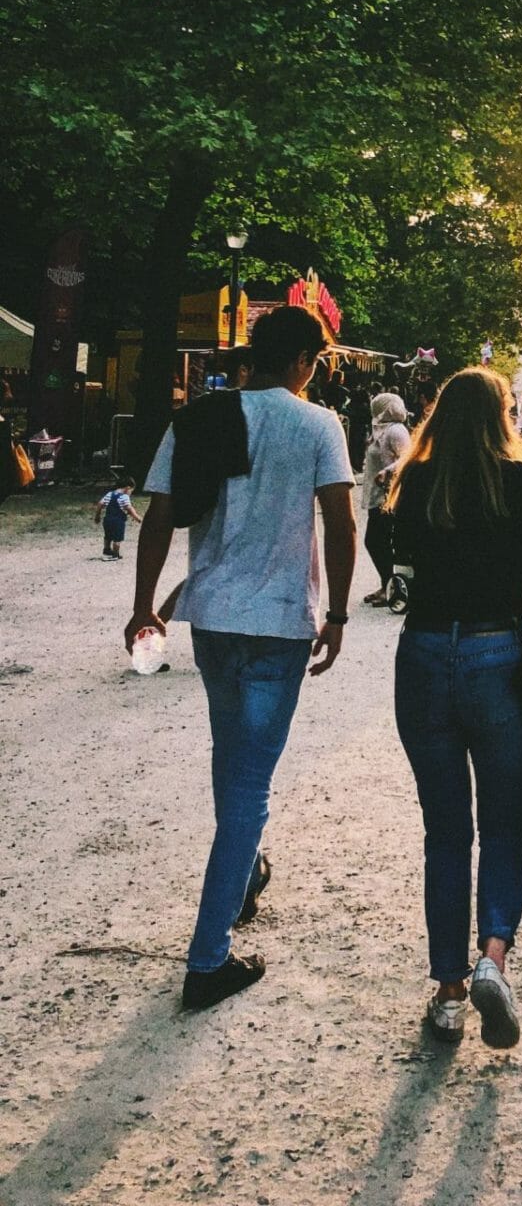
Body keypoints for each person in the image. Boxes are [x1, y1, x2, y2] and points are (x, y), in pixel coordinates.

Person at [127, 304, 357, 1011]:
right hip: (280, 623)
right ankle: (207, 958)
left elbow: (160, 512)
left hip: (215, 620)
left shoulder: (199, 417)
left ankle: (243, 873)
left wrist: (144, 606)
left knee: (234, 767)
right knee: (249, 786)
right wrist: (339, 611)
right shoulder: (318, 425)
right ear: (300, 362)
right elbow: (342, 520)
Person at [385, 368, 522, 1047]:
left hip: (422, 655)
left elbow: (392, 558)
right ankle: (491, 960)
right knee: (503, 824)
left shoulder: (415, 480)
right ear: (503, 416)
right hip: (496, 655)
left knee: (445, 830)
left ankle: (447, 995)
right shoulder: (515, 480)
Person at [360, 392, 411, 606]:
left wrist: (388, 471)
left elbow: (409, 457)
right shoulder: (379, 431)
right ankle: (388, 585)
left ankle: (392, 587)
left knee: (375, 541)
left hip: (390, 496)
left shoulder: (396, 431)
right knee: (378, 542)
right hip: (377, 494)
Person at [95, 476, 140, 557]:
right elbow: (129, 508)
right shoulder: (124, 496)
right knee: (117, 538)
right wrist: (137, 517)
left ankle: (107, 549)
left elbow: (100, 504)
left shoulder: (109, 494)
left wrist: (97, 516)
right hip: (118, 521)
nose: (130, 493)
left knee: (108, 536)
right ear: (127, 488)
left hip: (107, 520)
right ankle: (116, 554)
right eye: (131, 491)